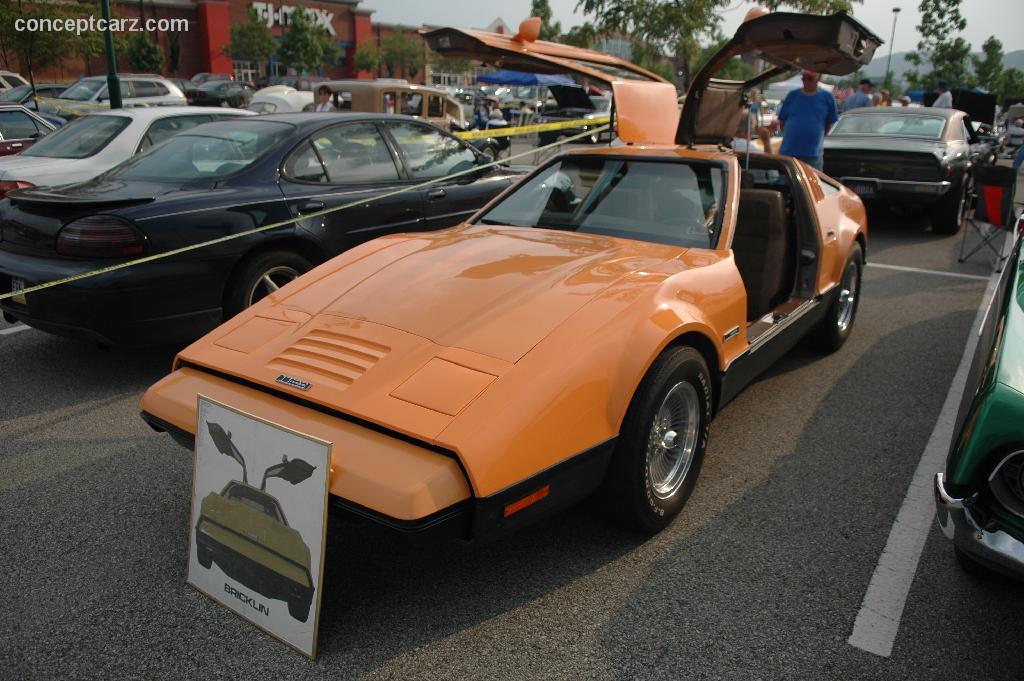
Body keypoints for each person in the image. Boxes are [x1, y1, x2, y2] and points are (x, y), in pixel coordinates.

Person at [773, 71, 838, 170]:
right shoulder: (792, 95)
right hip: (789, 152)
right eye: (804, 78)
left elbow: (829, 123)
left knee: (812, 182)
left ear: (818, 78)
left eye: (810, 78)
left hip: (812, 154)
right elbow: (782, 121)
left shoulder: (827, 97)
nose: (806, 81)